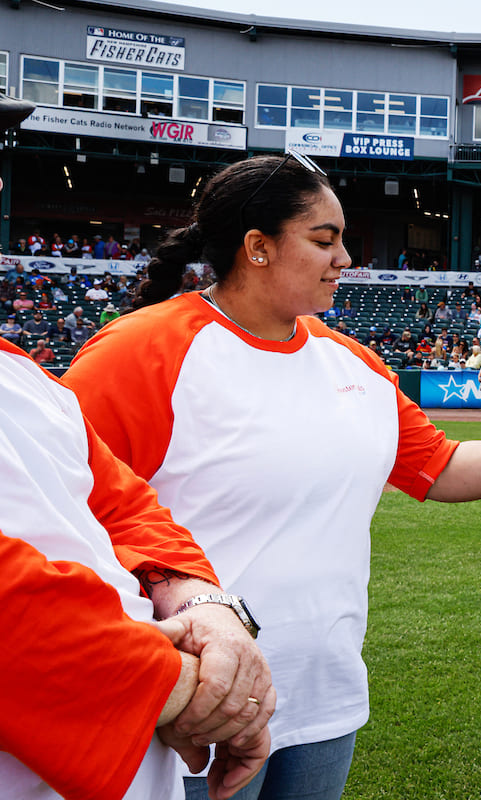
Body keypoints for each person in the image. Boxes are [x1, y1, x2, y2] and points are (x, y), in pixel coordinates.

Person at [64, 153, 481, 800]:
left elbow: (439, 467)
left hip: (326, 697)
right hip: (196, 696)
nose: (345, 259)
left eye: (343, 241)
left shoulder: (353, 362)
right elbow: (67, 512)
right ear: (258, 247)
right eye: (324, 240)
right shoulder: (143, 352)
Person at [0, 93, 272, 800]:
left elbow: (120, 505)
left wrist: (201, 606)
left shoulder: (17, 368)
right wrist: (189, 690)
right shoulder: (139, 345)